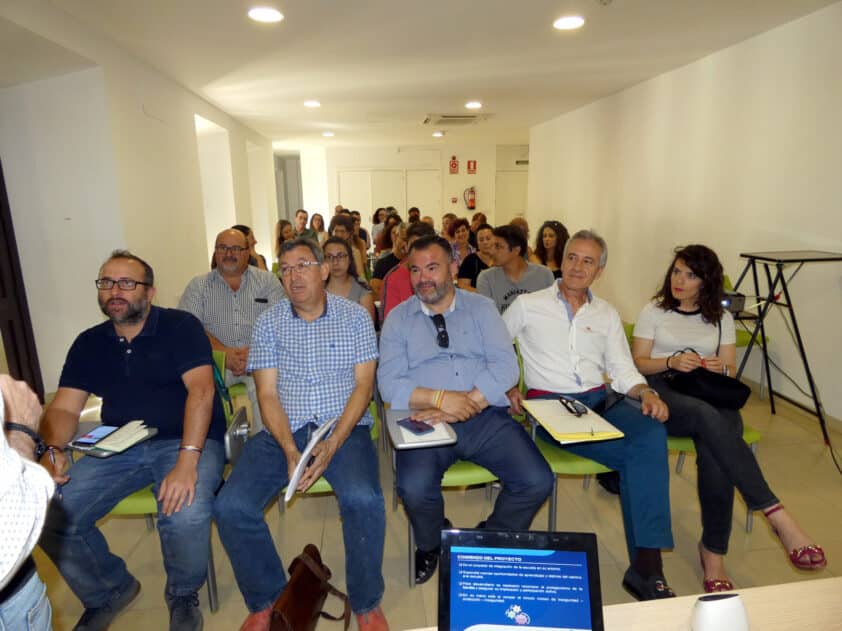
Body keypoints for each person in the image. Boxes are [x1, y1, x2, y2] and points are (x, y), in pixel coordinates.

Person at [39, 250, 226, 630]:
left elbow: (202, 391)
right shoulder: (89, 343)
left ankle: (182, 594)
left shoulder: (180, 326)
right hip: (121, 444)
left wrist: (187, 461)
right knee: (48, 512)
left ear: (150, 292)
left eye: (127, 283)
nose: (115, 291)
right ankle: (108, 590)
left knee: (184, 511)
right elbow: (64, 409)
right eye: (106, 282)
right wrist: (52, 450)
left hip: (185, 439)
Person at [213, 238, 388, 631]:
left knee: (364, 500)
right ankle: (268, 599)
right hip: (284, 429)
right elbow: (267, 394)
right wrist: (291, 450)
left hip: (342, 427)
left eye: (303, 265)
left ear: (324, 270)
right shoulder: (269, 322)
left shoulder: (355, 317)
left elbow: (364, 386)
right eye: (286, 268)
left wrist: (333, 443)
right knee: (231, 506)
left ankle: (366, 602)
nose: (293, 276)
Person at [631, 245, 827, 592]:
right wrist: (672, 361)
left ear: (707, 281)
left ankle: (713, 552)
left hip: (706, 389)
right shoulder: (654, 310)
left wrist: (716, 366)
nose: (680, 280)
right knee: (710, 419)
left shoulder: (720, 317)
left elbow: (730, 370)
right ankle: (775, 514)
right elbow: (639, 363)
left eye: (691, 275)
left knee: (716, 450)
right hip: (663, 391)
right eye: (677, 271)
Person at [503, 230, 675, 601]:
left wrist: (646, 391)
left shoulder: (606, 314)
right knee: (638, 457)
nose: (577, 267)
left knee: (652, 433)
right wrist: (507, 386)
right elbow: (496, 349)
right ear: (560, 261)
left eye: (588, 261)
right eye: (572, 257)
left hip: (601, 400)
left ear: (600, 271)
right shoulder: (527, 305)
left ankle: (646, 567)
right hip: (551, 406)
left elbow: (622, 368)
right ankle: (648, 569)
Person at [378, 235, 554, 586]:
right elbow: (388, 384)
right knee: (413, 487)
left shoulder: (482, 309)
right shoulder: (398, 319)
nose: (423, 278)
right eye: (415, 270)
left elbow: (506, 368)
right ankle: (432, 542)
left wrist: (468, 402)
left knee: (537, 480)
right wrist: (442, 399)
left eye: (432, 267)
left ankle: (491, 537)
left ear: (454, 267)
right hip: (424, 418)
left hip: (484, 415)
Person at [179, 228, 285, 433]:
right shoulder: (198, 286)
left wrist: (254, 353)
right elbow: (190, 329)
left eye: (235, 248)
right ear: (215, 252)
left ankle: (265, 444)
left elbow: (280, 323)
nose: (228, 254)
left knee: (268, 389)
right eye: (222, 248)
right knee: (194, 388)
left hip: (260, 359)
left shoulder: (268, 282)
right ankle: (213, 444)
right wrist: (223, 353)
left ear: (247, 252)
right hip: (214, 362)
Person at [1, 375, 55, 630]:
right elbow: (10, 528)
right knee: (59, 520)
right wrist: (21, 435)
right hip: (10, 592)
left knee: (179, 515)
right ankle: (108, 592)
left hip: (16, 590)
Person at [477, 224, 554, 313]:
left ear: (516, 250)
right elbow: (487, 316)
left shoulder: (544, 275)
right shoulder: (486, 279)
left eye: (498, 246)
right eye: (492, 246)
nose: (492, 251)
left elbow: (551, 312)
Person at [381, 221, 436, 320]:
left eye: (425, 245)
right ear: (406, 247)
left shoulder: (440, 274)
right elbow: (391, 323)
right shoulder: (393, 279)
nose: (419, 251)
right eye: (414, 245)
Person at [324, 236, 376, 323]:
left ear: (350, 259)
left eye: (340, 256)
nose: (335, 262)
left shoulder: (362, 289)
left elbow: (368, 326)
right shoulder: (317, 290)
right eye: (329, 257)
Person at [371, 222, 407, 302]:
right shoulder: (383, 264)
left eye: (410, 240)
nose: (406, 244)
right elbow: (375, 293)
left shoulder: (416, 265)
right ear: (396, 237)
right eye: (404, 239)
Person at [457, 222, 495, 290]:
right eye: (481, 240)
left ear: (495, 239)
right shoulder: (470, 260)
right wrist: (482, 294)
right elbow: (462, 285)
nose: (485, 242)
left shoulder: (502, 259)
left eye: (488, 238)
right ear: (477, 243)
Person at [329, 214, 366, 280]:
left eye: (342, 231)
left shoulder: (354, 252)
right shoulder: (326, 251)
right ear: (332, 232)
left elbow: (361, 278)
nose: (339, 235)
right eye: (336, 231)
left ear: (349, 233)